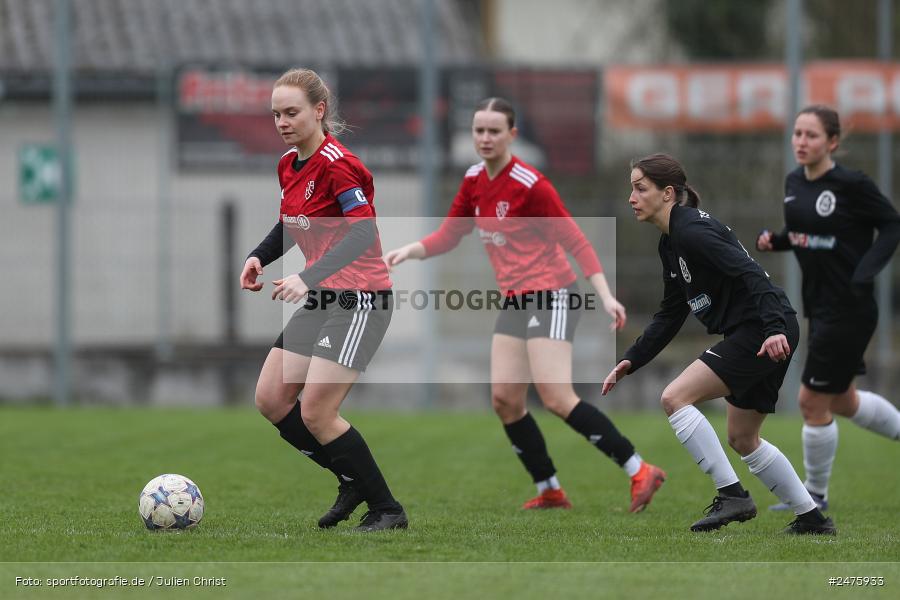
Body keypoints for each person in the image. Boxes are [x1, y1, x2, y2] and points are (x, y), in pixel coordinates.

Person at [384, 97, 666, 513]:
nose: (484, 137)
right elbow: (450, 235)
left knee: (555, 396)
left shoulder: (531, 185)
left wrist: (605, 295)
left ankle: (640, 469)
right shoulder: (474, 179)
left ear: (511, 135)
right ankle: (550, 488)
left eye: (493, 130)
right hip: (516, 299)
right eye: (478, 130)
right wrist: (411, 249)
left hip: (553, 294)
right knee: (505, 399)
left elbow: (577, 240)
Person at [602, 153, 836, 534]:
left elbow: (750, 273)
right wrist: (632, 359)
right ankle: (812, 519)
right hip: (760, 329)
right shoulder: (671, 243)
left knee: (674, 398)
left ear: (667, 194)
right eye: (632, 188)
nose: (632, 197)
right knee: (743, 438)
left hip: (762, 329)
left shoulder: (692, 231)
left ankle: (733, 496)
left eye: (640, 188)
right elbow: (671, 313)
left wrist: (774, 327)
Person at [239, 68, 406, 532]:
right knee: (272, 398)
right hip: (324, 296)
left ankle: (387, 510)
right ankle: (351, 479)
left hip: (360, 299)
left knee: (316, 411)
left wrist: (308, 277)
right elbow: (294, 224)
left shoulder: (339, 164)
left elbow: (363, 232)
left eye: (291, 112)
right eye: (275, 114)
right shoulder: (288, 164)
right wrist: (258, 257)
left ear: (319, 110)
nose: (282, 122)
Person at [757, 105, 900, 511]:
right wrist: (777, 240)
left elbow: (892, 224)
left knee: (810, 401)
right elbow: (806, 235)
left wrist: (866, 270)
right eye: (797, 133)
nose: (801, 142)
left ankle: (814, 497)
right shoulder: (792, 183)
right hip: (819, 307)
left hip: (850, 308)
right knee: (842, 401)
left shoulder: (852, 184)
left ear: (832, 142)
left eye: (812, 135)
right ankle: (815, 494)